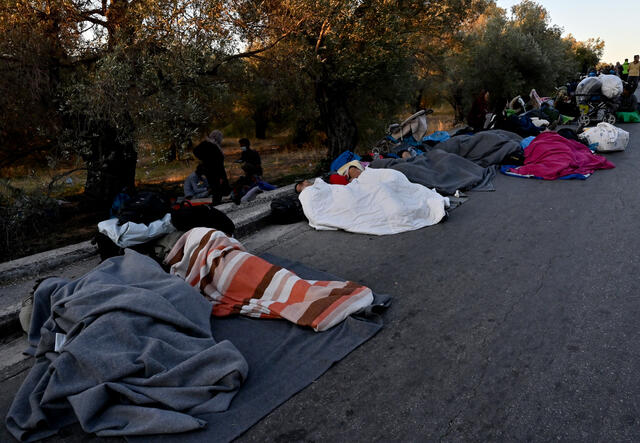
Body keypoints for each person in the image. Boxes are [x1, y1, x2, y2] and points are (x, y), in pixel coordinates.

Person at [192, 130, 230, 204]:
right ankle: (216, 204)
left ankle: (216, 203)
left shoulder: (205, 144)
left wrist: (204, 159)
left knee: (214, 187)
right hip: (215, 171)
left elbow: (195, 151)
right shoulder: (215, 148)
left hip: (207, 170)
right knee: (218, 188)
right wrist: (221, 176)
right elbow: (219, 164)